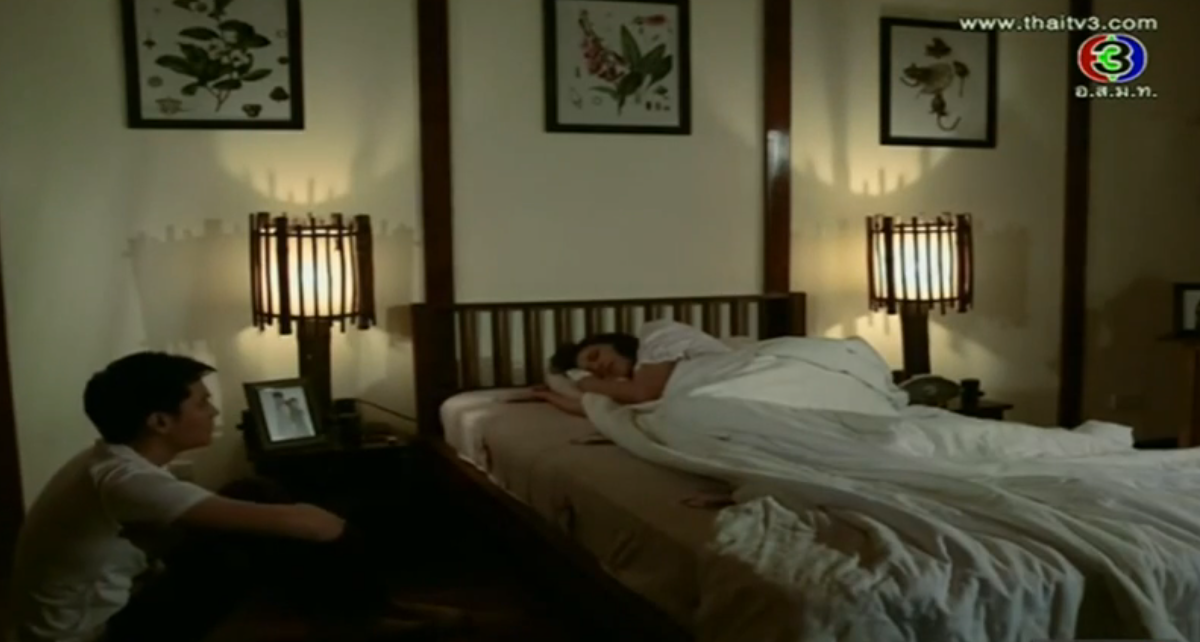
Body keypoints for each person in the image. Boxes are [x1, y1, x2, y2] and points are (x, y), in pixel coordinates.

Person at [8, 352, 453, 642]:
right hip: (91, 636)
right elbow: (310, 526)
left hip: (102, 614)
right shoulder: (127, 480)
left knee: (250, 496)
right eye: (202, 403)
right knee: (262, 530)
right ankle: (362, 620)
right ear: (160, 422)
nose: (214, 411)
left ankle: (363, 616)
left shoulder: (108, 460)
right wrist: (332, 525)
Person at [535, 319, 732, 415]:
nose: (598, 366)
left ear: (615, 342)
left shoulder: (656, 335)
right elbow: (595, 409)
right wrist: (547, 396)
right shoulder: (632, 382)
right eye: (592, 371)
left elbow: (642, 394)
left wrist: (588, 383)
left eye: (595, 355)